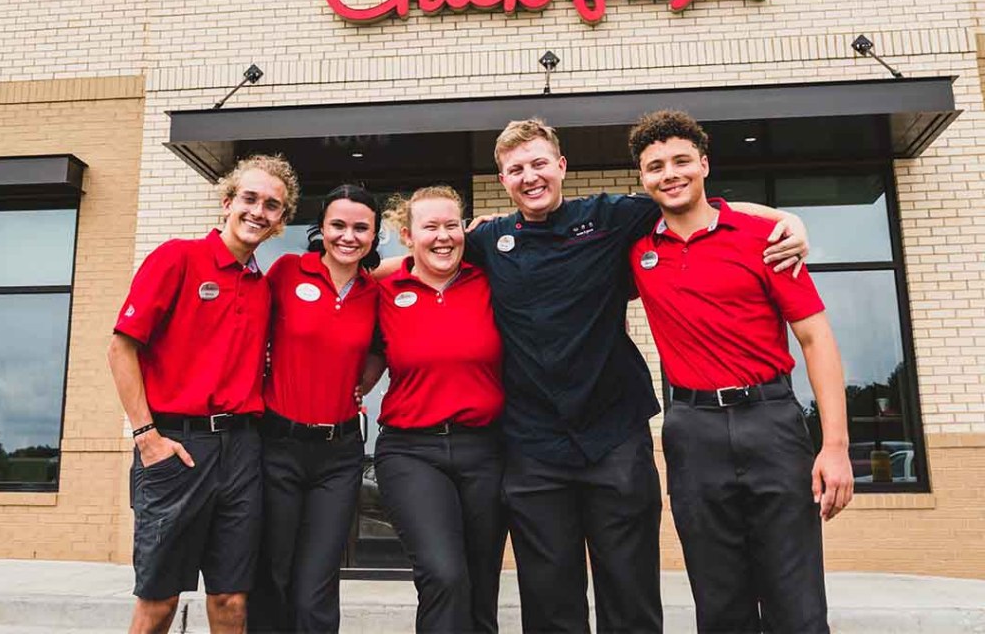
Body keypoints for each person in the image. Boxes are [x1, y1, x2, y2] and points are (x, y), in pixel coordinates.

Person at [462, 118, 808, 634]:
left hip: (615, 437)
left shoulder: (612, 216)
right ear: (502, 180)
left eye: (539, 164)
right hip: (532, 446)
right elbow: (422, 263)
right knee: (549, 601)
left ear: (561, 166)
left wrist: (787, 220)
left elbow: (698, 205)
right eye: (516, 170)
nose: (529, 177)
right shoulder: (490, 240)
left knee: (630, 595)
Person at [627, 109, 853, 634]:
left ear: (705, 164)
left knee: (795, 601)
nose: (670, 173)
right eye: (655, 166)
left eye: (682, 160)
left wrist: (836, 445)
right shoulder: (637, 251)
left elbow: (817, 339)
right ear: (644, 179)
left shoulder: (764, 238)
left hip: (771, 422)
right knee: (719, 600)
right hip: (691, 429)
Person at [107, 154, 299, 634]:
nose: (259, 211)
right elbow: (120, 348)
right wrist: (147, 436)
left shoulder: (263, 286)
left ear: (281, 220)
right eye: (250, 199)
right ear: (228, 202)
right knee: (159, 602)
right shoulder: (177, 257)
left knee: (232, 599)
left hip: (242, 451)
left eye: (272, 205)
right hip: (176, 447)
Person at [373, 186, 507, 633]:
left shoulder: (489, 278)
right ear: (408, 236)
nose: (443, 236)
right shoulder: (383, 288)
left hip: (487, 450)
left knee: (481, 582)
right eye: (429, 227)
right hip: (412, 452)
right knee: (444, 574)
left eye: (452, 225)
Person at [249, 185, 382, 634]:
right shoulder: (288, 271)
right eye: (338, 225)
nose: (349, 236)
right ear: (321, 229)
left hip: (339, 454)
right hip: (278, 446)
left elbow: (380, 351)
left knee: (318, 583)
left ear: (375, 233)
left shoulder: (374, 292)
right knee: (273, 571)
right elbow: (248, 331)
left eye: (361, 227)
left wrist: (359, 384)